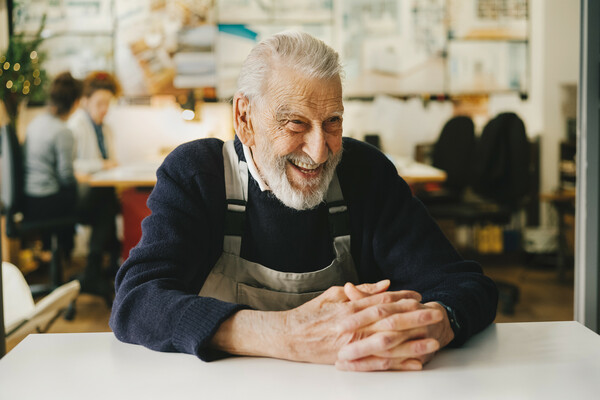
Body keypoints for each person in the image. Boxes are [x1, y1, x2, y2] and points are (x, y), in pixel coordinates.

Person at [110, 31, 498, 371]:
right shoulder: (197, 173)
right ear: (245, 118)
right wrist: (286, 334)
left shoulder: (365, 173)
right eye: (296, 123)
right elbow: (137, 302)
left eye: (333, 122)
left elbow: (466, 285)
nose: (319, 152)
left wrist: (436, 320)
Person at [67, 71, 122, 298]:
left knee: (112, 199)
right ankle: (100, 262)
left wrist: (106, 165)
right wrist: (101, 164)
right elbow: (71, 164)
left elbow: (112, 161)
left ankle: (104, 261)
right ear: (85, 101)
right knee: (106, 202)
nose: (104, 109)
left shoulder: (105, 129)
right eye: (99, 103)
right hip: (77, 196)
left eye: (107, 104)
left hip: (97, 191)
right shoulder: (76, 125)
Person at [22, 72, 82, 255]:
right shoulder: (62, 131)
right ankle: (74, 254)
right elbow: (65, 176)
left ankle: (55, 251)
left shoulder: (35, 123)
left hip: (29, 200)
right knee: (97, 199)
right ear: (75, 103)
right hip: (46, 203)